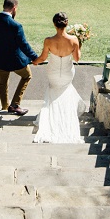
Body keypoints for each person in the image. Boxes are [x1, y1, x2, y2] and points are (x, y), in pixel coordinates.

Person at [32, 12, 85, 143]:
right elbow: (77, 59)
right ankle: (66, 118)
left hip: (53, 73)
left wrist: (35, 61)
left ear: (54, 24)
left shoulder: (48, 40)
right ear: (66, 23)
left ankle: (51, 118)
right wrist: (79, 44)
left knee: (53, 92)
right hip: (67, 73)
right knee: (65, 92)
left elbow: (43, 58)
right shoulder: (73, 40)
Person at [0, 0, 39, 116]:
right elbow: (24, 45)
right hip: (16, 61)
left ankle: (4, 106)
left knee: (3, 83)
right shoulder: (16, 25)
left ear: (4, 6)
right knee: (27, 76)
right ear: (14, 8)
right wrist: (34, 57)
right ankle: (15, 105)